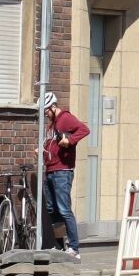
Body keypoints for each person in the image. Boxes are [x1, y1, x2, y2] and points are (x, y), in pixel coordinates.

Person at [39, 93, 90, 256]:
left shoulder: (65, 118)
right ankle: (60, 245)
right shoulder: (52, 124)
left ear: (53, 107)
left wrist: (70, 141)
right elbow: (52, 144)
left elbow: (84, 129)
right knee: (52, 209)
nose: (45, 114)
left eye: (46, 111)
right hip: (50, 169)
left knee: (64, 209)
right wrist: (41, 151)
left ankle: (74, 247)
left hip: (62, 171)